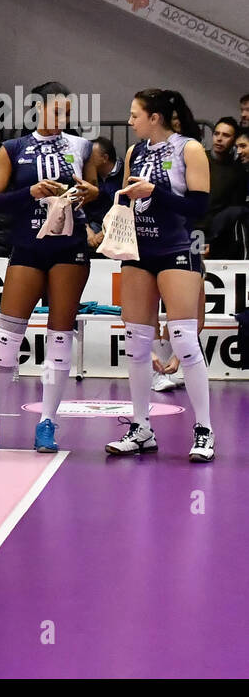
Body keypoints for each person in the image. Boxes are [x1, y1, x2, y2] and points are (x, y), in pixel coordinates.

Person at [0, 82, 98, 453]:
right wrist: (30, 193)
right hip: (26, 246)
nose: (62, 117)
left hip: (69, 247)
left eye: (67, 111)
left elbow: (95, 194)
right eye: (56, 110)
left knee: (60, 336)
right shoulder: (12, 149)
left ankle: (47, 423)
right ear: (37, 109)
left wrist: (88, 193)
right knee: (7, 336)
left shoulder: (83, 147)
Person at [106, 89, 214, 462]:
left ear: (156, 117)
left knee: (184, 339)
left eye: (135, 114)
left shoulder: (189, 149)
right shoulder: (136, 152)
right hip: (139, 250)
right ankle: (140, 427)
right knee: (137, 345)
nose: (130, 120)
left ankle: (204, 430)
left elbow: (200, 205)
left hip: (176, 248)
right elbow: (127, 196)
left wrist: (157, 192)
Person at [199, 117, 248, 259]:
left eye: (226, 135)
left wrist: (215, 243)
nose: (219, 139)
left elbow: (233, 211)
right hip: (189, 229)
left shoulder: (238, 172)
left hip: (216, 235)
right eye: (216, 133)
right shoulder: (197, 159)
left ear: (234, 140)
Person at [84, 137, 125, 251]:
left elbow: (126, 208)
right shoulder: (86, 173)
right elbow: (80, 206)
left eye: (90, 155)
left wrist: (105, 232)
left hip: (120, 226)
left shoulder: (125, 172)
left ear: (105, 158)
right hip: (94, 225)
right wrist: (87, 229)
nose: (87, 158)